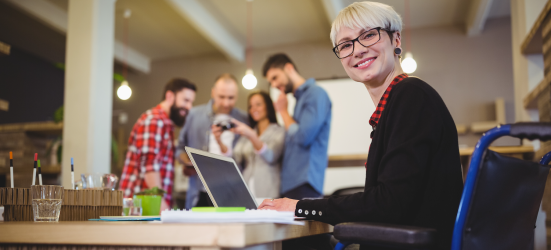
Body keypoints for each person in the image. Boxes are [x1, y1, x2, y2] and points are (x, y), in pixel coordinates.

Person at [258, 2, 464, 249]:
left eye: (368, 35)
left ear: (396, 39)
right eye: (345, 44)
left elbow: (388, 204)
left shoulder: (411, 96)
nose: (357, 50)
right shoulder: (398, 102)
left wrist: (301, 206)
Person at [119, 78, 197, 211]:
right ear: (169, 96)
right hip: (141, 206)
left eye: (191, 102)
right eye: (185, 100)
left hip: (149, 204)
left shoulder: (166, 125)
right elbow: (150, 165)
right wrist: (161, 203)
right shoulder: (154, 121)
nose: (189, 107)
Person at [262, 53, 332, 200]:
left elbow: (303, 137)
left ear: (289, 68)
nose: (274, 85)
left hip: (304, 183)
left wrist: (283, 112)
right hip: (293, 184)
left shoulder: (315, 94)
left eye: (275, 77)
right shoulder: (298, 100)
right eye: (270, 82)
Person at [178, 73, 248, 209]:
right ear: (213, 93)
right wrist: (187, 161)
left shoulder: (244, 119)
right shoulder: (194, 115)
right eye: (221, 97)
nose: (226, 103)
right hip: (200, 191)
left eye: (231, 98)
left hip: (232, 191)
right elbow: (180, 147)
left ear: (237, 96)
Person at [232, 91, 285, 199]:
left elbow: (271, 156)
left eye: (258, 104)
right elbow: (235, 158)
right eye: (251, 106)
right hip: (246, 190)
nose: (253, 109)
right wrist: (219, 140)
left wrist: (251, 135)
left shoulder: (279, 131)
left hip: (268, 190)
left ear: (268, 106)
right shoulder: (248, 133)